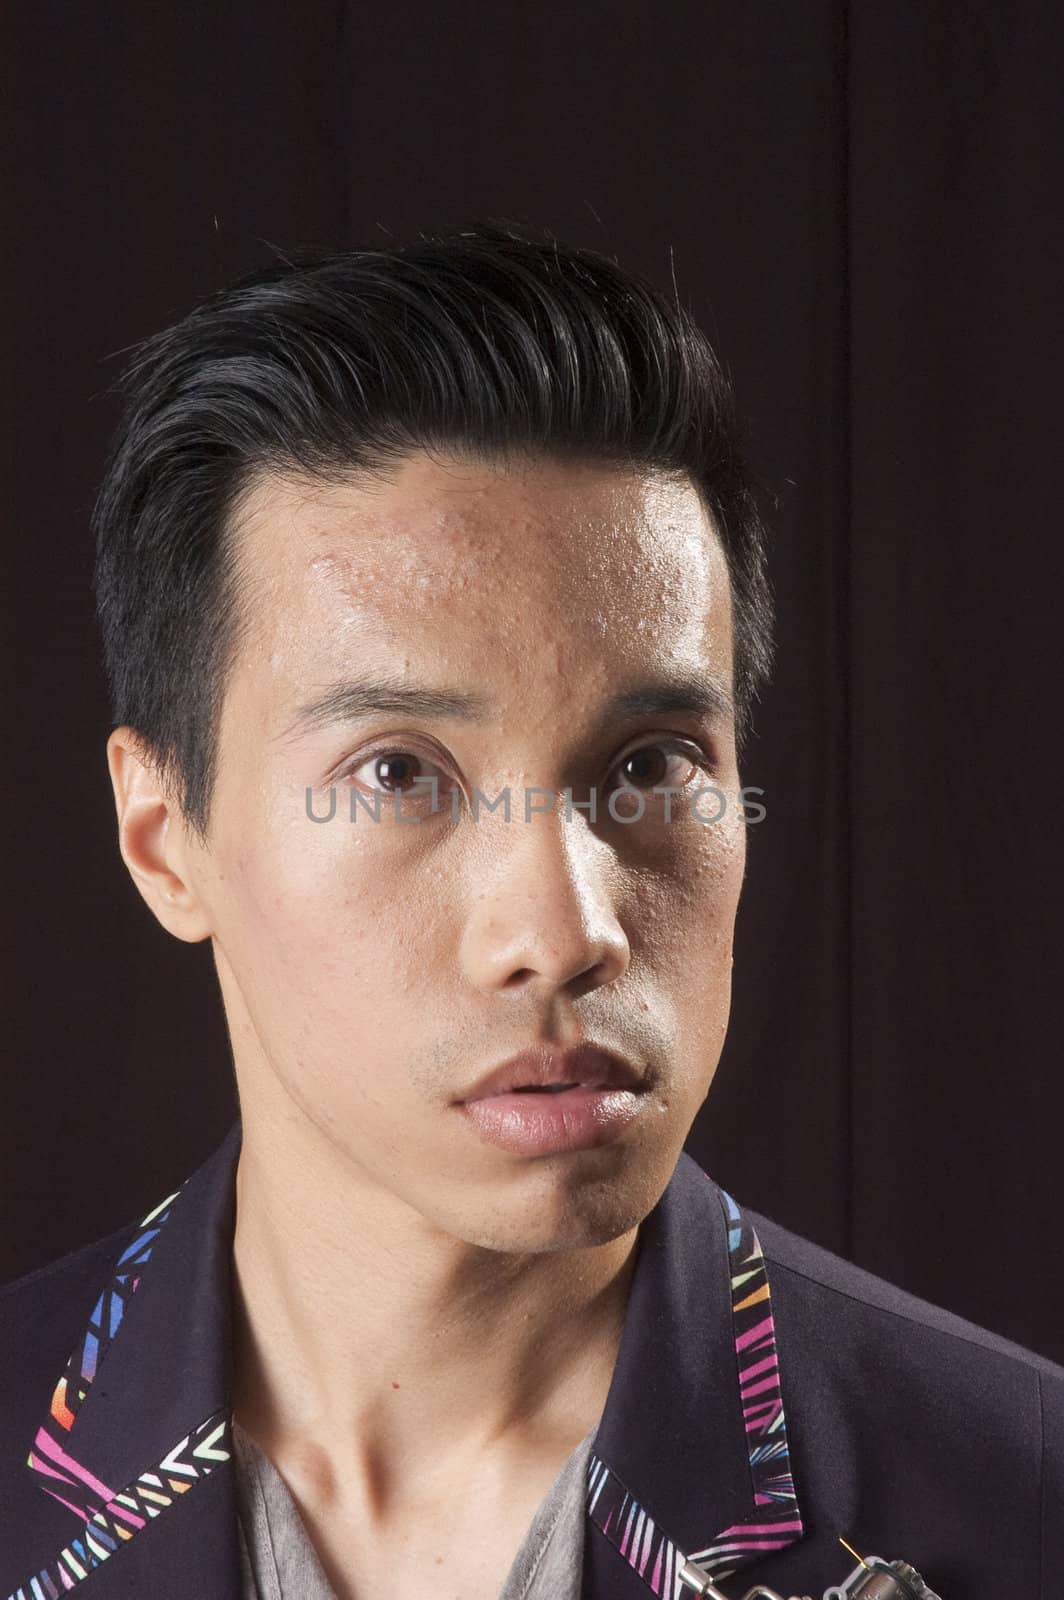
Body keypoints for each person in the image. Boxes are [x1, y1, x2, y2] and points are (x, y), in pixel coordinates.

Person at [1, 224, 1060, 1600]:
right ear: (165, 838)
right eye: (398, 774)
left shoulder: (1015, 1508)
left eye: (649, 768)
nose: (566, 935)